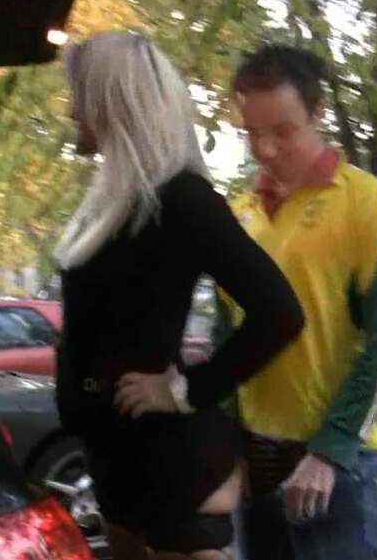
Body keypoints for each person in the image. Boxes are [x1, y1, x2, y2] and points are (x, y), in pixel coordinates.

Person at [53, 32, 304, 560]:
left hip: (171, 475)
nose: (73, 109)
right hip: (119, 466)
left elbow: (280, 312)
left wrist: (187, 391)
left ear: (111, 103)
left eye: (80, 95)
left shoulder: (183, 200)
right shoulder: (113, 203)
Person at [221, 45, 377, 560]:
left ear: (317, 113)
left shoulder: (367, 201)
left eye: (282, 131)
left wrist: (331, 449)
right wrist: (225, 443)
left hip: (338, 472)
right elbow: (227, 343)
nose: (265, 149)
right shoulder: (238, 214)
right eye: (252, 133)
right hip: (254, 471)